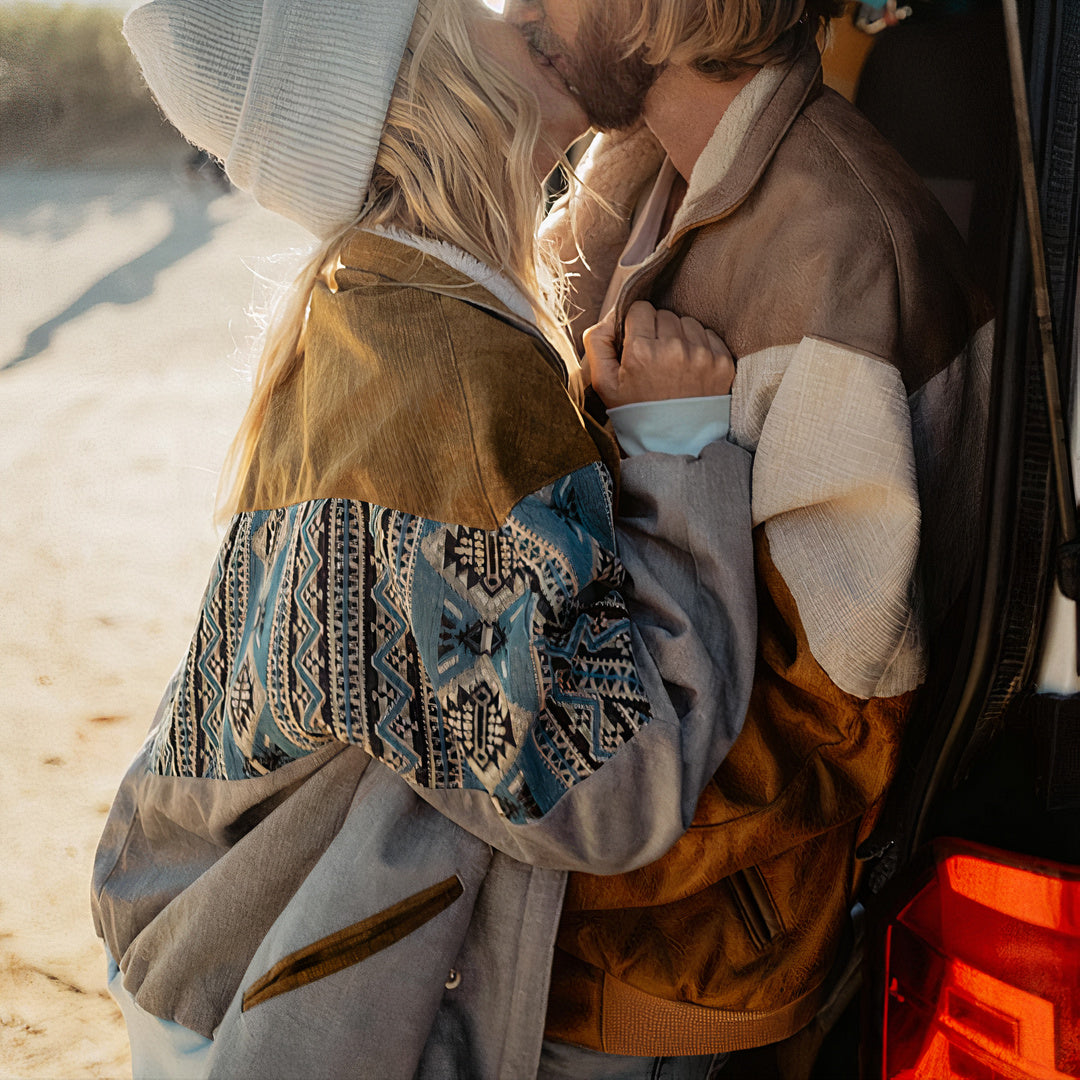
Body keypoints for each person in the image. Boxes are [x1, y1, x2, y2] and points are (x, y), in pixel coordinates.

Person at [92, 0, 758, 1077]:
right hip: (286, 1006)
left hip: (222, 957)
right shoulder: (450, 381)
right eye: (476, 10)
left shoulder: (374, 306)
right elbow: (605, 797)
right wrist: (679, 452)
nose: (526, 12)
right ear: (421, 78)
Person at [499, 0, 993, 1073]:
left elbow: (835, 723)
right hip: (552, 931)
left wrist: (545, 851)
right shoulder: (631, 162)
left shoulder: (837, 257)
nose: (523, 3)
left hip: (667, 962)